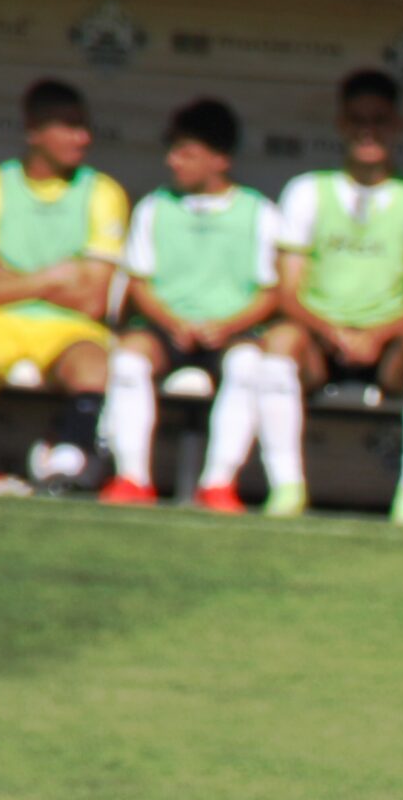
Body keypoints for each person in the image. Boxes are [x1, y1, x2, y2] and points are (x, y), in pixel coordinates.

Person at [268, 69, 403, 525]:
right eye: (357, 119)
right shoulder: (307, 191)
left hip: (387, 345)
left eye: (379, 119)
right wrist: (330, 330)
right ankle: (286, 488)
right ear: (340, 123)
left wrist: (374, 335)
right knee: (276, 343)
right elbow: (287, 294)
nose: (367, 130)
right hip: (320, 338)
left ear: (397, 126)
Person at [0, 79, 130, 493]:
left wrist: (9, 280)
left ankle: (67, 464)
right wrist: (52, 277)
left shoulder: (103, 192)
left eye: (84, 126)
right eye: (70, 126)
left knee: (94, 367)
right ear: (34, 131)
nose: (83, 137)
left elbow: (91, 299)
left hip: (69, 328)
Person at [114, 99, 285, 512]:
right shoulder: (154, 207)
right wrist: (172, 322)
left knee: (247, 365)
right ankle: (131, 478)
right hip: (165, 328)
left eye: (186, 153)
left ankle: (218, 484)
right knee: (127, 361)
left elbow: (270, 292)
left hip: (229, 331)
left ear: (220, 159)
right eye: (172, 151)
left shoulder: (259, 212)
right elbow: (139, 283)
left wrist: (225, 326)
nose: (173, 161)